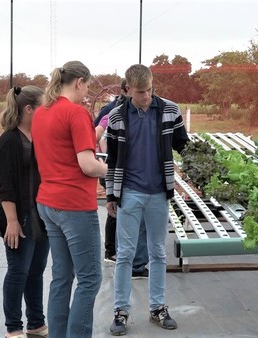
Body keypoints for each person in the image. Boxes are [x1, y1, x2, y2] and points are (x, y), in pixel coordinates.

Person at [105, 64, 189, 336]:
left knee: (158, 252)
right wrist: (110, 194)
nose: (146, 96)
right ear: (128, 89)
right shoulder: (117, 116)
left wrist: (204, 163)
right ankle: (121, 311)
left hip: (158, 193)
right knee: (125, 254)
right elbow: (112, 159)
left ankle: (157, 308)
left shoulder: (170, 110)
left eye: (150, 90)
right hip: (129, 192)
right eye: (140, 92)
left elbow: (183, 145)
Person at [31, 61, 107, 338]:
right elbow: (87, 165)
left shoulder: (41, 113)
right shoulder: (76, 113)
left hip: (48, 203)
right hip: (74, 205)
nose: (87, 91)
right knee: (89, 279)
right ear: (79, 82)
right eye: (87, 85)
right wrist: (109, 170)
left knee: (62, 277)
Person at [0, 85, 50, 338]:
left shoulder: (39, 135)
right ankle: (13, 328)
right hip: (19, 216)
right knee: (18, 272)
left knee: (36, 272)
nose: (47, 110)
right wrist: (12, 221)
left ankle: (36, 324)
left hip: (42, 216)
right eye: (43, 106)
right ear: (29, 109)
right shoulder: (9, 140)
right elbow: (5, 185)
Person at [95, 84, 149, 280]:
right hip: (122, 173)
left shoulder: (109, 111)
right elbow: (99, 136)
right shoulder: (119, 113)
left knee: (116, 210)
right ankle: (132, 263)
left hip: (114, 170)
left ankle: (114, 253)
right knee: (129, 215)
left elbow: (97, 134)